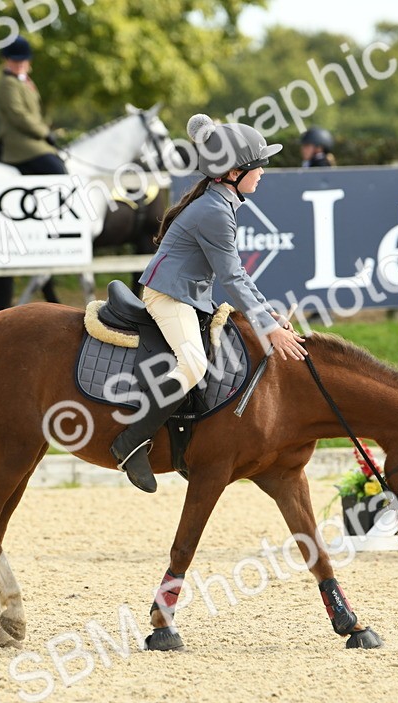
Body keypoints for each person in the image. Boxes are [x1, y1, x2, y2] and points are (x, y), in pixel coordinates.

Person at [113, 114, 308, 493]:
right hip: (168, 295)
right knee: (193, 363)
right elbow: (232, 278)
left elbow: (237, 274)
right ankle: (130, 441)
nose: (264, 171)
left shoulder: (222, 202)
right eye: (259, 164)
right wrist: (268, 328)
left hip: (190, 295)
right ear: (235, 171)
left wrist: (267, 312)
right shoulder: (215, 212)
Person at [0, 35, 63, 312]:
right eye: (15, 60)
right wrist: (45, 134)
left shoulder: (24, 82)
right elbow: (20, 117)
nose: (19, 64)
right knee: (57, 170)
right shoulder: (7, 84)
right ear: (7, 61)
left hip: (33, 138)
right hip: (21, 144)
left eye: (23, 60)